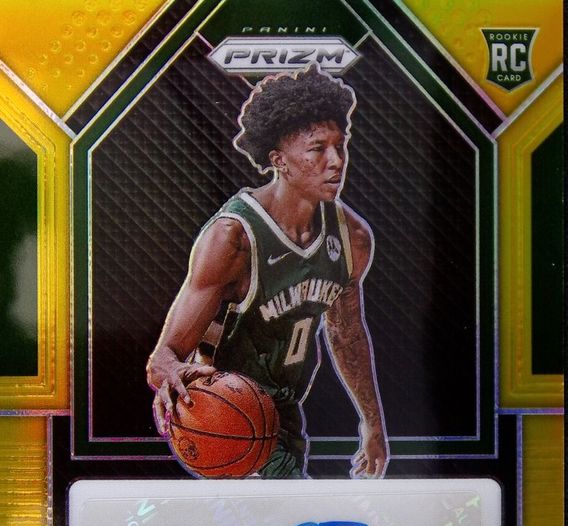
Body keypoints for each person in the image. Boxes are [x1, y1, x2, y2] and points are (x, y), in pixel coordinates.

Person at [147, 65, 389, 479]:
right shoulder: (234, 239)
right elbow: (163, 357)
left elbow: (346, 335)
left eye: (340, 146)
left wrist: (373, 423)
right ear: (279, 161)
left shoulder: (352, 238)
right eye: (317, 149)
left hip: (283, 416)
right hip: (226, 414)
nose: (336, 161)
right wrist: (173, 373)